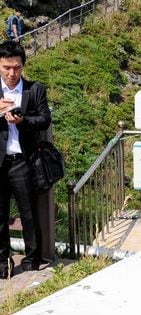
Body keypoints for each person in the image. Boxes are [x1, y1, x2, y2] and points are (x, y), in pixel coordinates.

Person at [0, 41, 51, 278]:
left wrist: (23, 121)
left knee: (28, 213)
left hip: (23, 160)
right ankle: (2, 263)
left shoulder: (35, 89)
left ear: (23, 66)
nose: (11, 73)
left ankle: (32, 259)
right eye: (6, 68)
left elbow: (44, 120)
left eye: (17, 68)